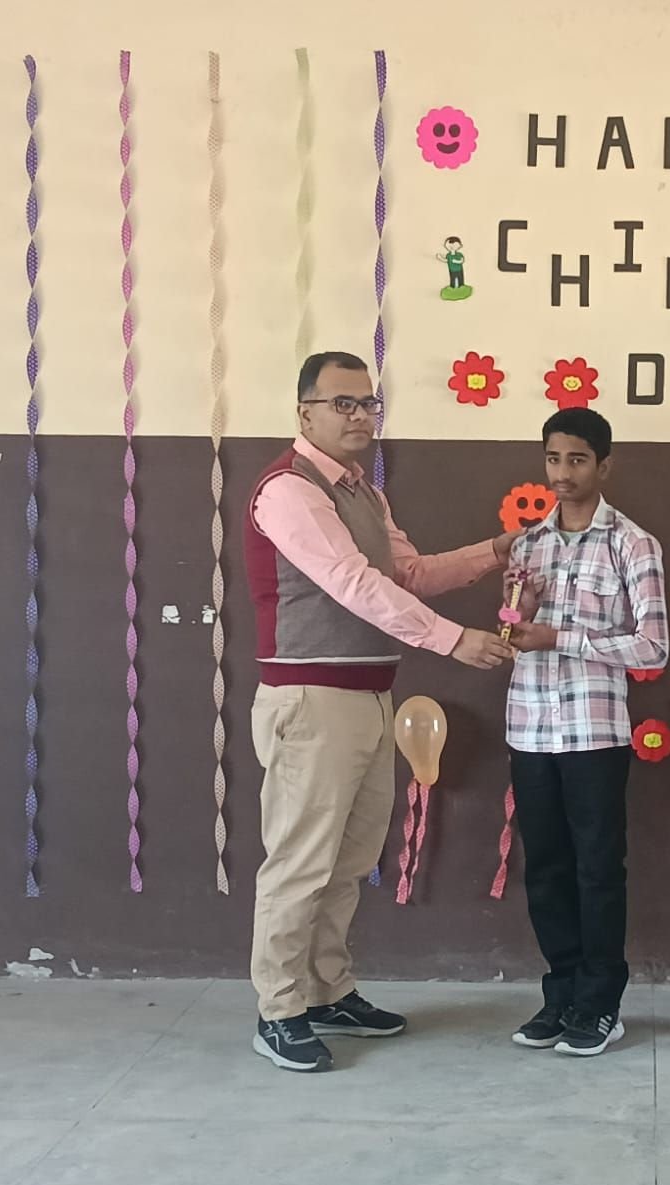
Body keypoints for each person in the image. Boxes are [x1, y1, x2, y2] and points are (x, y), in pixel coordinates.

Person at [243, 350, 517, 1072]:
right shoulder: (288, 491)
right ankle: (279, 1009)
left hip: (369, 694)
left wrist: (496, 550)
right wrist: (453, 640)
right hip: (310, 699)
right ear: (304, 412)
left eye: (368, 403)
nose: (360, 416)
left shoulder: (364, 492)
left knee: (350, 859)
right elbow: (352, 583)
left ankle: (328, 990)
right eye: (343, 403)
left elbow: (408, 574)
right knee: (301, 862)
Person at [502, 408, 669, 1057]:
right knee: (544, 869)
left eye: (576, 459)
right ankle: (561, 995)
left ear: (604, 465)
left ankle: (600, 1003)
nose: (563, 473)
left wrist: (560, 637)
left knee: (598, 869)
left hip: (594, 734)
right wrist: (518, 620)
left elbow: (652, 647)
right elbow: (514, 633)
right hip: (529, 728)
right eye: (553, 458)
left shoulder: (633, 544)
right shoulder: (527, 545)